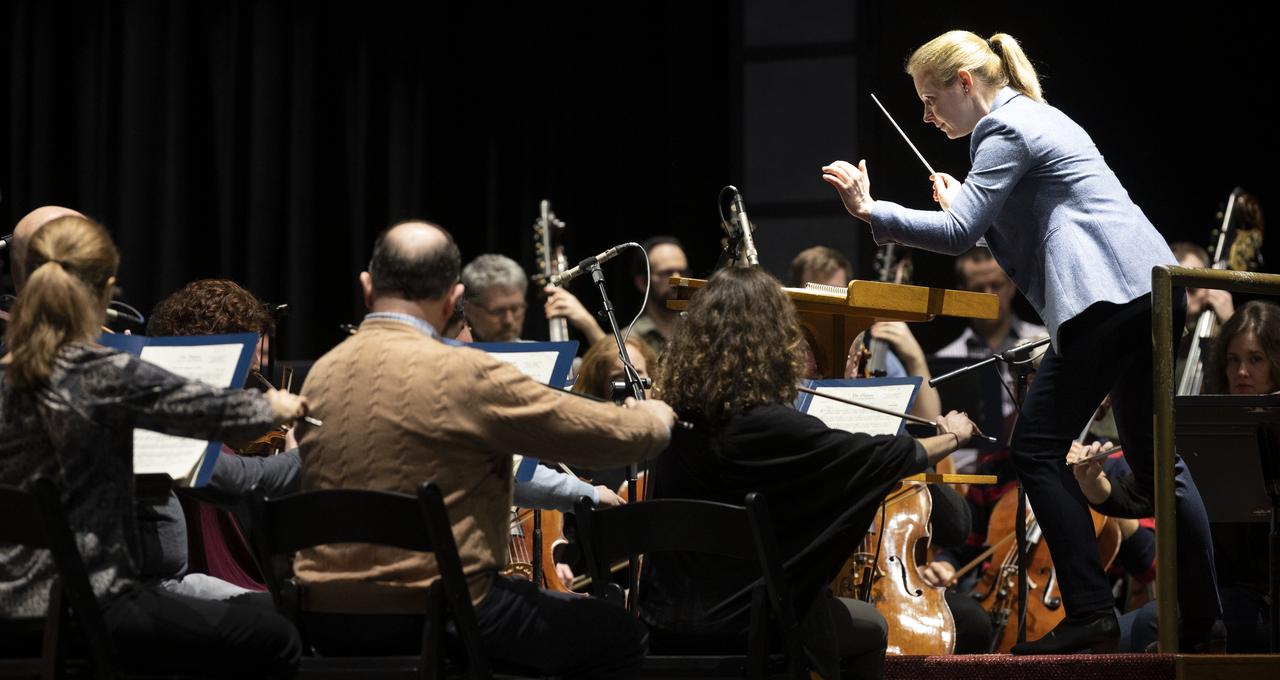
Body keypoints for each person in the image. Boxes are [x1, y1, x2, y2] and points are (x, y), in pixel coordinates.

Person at [821, 30, 1219, 654]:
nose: (926, 116)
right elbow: (1033, 222)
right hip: (1150, 286)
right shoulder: (1037, 115)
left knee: (1034, 447)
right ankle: (1203, 620)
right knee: (1158, 467)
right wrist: (972, 212)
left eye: (930, 100)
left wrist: (871, 211)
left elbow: (957, 235)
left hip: (1105, 297)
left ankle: (1091, 612)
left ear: (964, 83)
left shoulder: (999, 131)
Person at [295, 220, 676, 678]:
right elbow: (604, 437)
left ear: (367, 286)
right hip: (440, 612)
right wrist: (653, 417)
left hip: (325, 616)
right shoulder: (466, 373)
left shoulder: (319, 375)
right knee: (619, 631)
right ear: (456, 300)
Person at [0, 216, 306, 677]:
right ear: (105, 290)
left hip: (8, 609)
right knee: (275, 637)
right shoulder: (105, 373)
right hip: (87, 608)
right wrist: (282, 406)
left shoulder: (7, 375)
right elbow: (234, 416)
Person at [636, 266, 977, 679]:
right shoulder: (772, 425)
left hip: (661, 622)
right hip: (755, 625)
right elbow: (883, 457)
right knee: (869, 625)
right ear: (771, 342)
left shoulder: (673, 422)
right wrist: (953, 437)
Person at [1073, 299, 1280, 652]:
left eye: (1255, 359)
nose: (1242, 372)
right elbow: (1160, 494)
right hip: (1215, 597)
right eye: (1233, 360)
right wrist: (1095, 486)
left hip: (1263, 598)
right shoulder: (1209, 429)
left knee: (1151, 626)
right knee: (1099, 644)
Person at [629, 236, 688, 355]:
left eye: (682, 272)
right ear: (643, 283)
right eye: (666, 273)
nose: (678, 279)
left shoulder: (701, 331)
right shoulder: (628, 339)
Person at [460, 253, 529, 342]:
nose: (508, 321)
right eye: (497, 311)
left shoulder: (540, 354)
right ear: (468, 310)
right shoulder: (448, 354)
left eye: (515, 309)